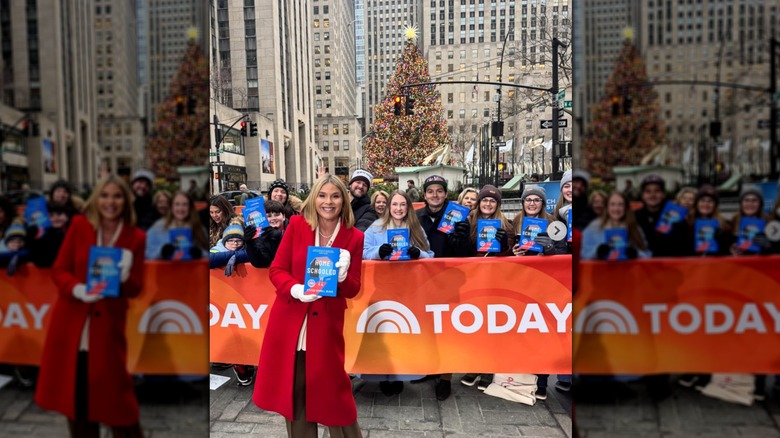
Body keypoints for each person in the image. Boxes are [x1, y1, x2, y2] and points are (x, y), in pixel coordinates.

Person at [253, 174, 364, 437]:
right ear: (314, 198)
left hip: (325, 325)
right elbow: (277, 270)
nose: (329, 201)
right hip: (289, 321)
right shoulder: (297, 225)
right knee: (296, 393)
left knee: (334, 393)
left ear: (344, 200)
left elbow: (353, 289)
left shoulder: (355, 236)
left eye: (335, 196)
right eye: (323, 195)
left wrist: (343, 276)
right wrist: (295, 288)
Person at [35, 174, 146, 437]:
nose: (110, 202)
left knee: (120, 408)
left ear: (125, 200)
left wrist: (126, 275)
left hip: (107, 329)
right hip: (71, 325)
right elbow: (59, 270)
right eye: (105, 195)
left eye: (117, 196)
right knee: (78, 407)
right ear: (97, 199)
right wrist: (77, 288)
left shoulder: (135, 237)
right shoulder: (79, 225)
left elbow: (136, 288)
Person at [362, 190, 432, 395]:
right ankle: (382, 375)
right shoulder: (375, 228)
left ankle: (400, 375)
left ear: (408, 207)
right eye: (395, 204)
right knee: (382, 332)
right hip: (382, 287)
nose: (398, 208)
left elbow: (430, 255)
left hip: (407, 289)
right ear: (388, 207)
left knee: (402, 333)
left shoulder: (415, 228)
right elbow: (363, 252)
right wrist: (378, 253)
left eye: (402, 205)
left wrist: (419, 254)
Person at [414, 175, 471, 400]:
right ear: (424, 195)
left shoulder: (457, 215)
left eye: (439, 190)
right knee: (427, 328)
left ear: (446, 194)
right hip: (423, 281)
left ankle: (445, 377)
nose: (435, 195)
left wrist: (463, 236)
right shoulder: (416, 216)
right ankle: (430, 367)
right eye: (430, 191)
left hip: (449, 281)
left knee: (446, 331)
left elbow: (465, 254)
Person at [581, 191, 651, 260]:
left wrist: (635, 253)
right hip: (601, 270)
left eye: (620, 204)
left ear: (626, 207)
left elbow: (647, 254)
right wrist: (597, 251)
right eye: (612, 204)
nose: (616, 208)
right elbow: (581, 251)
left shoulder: (634, 227)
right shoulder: (594, 227)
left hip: (628, 270)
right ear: (607, 207)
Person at [633, 174, 689, 258]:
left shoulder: (676, 215)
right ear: (642, 195)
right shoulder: (634, 216)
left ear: (663, 194)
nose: (652, 195)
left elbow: (685, 247)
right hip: (642, 268)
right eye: (648, 191)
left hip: (670, 266)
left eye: (657, 191)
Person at [145, 191, 208, 260]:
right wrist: (161, 251)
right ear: (171, 207)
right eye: (177, 204)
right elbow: (146, 252)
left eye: (185, 204)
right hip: (165, 269)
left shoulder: (198, 227)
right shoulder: (158, 227)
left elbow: (208, 253)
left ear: (190, 207)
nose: (180, 209)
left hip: (191, 269)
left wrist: (199, 253)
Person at [511, 185, 568, 257]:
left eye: (537, 200)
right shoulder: (515, 222)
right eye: (528, 200)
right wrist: (513, 252)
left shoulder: (554, 223)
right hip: (522, 267)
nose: (532, 204)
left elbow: (562, 253)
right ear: (523, 202)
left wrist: (549, 248)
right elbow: (506, 252)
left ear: (543, 204)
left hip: (544, 267)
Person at [683, 185, 730, 257]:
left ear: (715, 205)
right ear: (697, 203)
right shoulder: (687, 222)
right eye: (702, 200)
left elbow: (727, 254)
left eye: (710, 201)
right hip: (691, 266)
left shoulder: (724, 225)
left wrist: (721, 242)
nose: (706, 204)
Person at [26, 202, 75, 268]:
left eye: (59, 214)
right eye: (51, 215)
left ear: (67, 216)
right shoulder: (40, 234)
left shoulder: (72, 231)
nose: (56, 217)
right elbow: (40, 261)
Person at [729, 184, 770, 256]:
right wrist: (731, 250)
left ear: (760, 204)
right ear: (741, 203)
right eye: (746, 200)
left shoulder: (768, 222)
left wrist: (768, 247)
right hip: (739, 264)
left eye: (754, 200)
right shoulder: (733, 221)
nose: (750, 204)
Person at [244, 199, 287, 268]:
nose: (273, 218)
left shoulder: (292, 229)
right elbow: (261, 262)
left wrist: (280, 235)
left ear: (284, 216)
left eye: (277, 215)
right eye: (269, 216)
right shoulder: (261, 236)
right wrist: (250, 244)